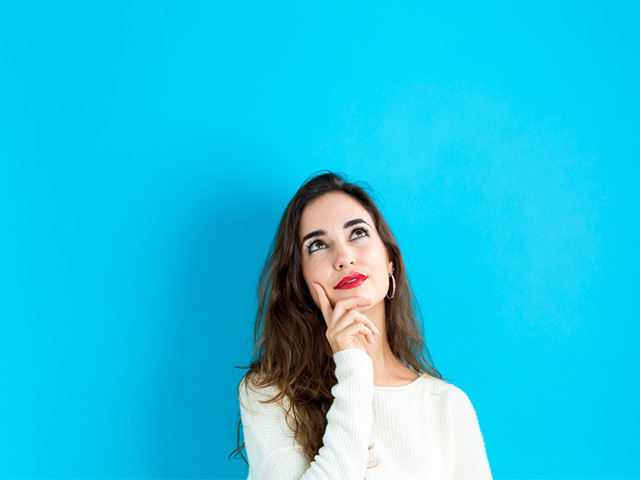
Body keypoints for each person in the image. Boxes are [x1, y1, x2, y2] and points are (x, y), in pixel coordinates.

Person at [233, 171, 492, 479]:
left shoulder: (448, 407)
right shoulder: (269, 393)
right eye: (317, 245)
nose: (344, 257)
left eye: (357, 233)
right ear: (301, 280)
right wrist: (352, 368)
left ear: (389, 259)